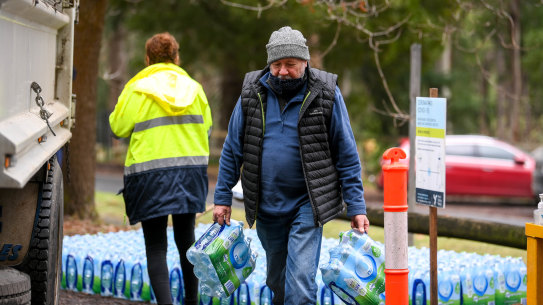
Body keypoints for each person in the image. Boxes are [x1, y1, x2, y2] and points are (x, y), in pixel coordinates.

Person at [212, 26, 369, 305]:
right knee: (277, 280)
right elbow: (233, 149)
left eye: (290, 65)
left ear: (305, 62)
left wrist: (356, 206)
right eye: (276, 64)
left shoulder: (326, 93)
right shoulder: (252, 92)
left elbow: (346, 153)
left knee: (299, 284)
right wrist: (222, 197)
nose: (282, 71)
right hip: (266, 204)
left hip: (308, 203)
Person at [109, 32, 212, 305]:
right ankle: (192, 301)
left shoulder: (137, 86)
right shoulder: (195, 88)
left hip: (148, 175)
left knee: (156, 247)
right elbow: (208, 127)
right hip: (189, 173)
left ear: (147, 58)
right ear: (176, 57)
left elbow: (117, 127)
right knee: (186, 241)